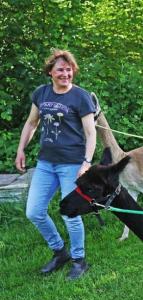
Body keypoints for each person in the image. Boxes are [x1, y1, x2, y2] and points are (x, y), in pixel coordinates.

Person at [15, 49, 96, 280]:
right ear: (50, 72)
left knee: (70, 213)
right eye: (60, 69)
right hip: (45, 164)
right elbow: (31, 124)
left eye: (69, 69)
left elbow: (91, 134)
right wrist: (21, 149)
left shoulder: (81, 97)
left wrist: (86, 163)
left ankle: (79, 260)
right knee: (34, 211)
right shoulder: (41, 93)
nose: (65, 74)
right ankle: (60, 252)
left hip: (72, 164)